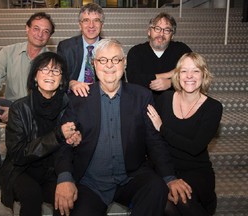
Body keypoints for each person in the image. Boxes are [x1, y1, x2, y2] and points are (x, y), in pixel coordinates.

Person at [54, 39, 192, 216]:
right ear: (95, 64)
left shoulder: (142, 96)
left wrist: (169, 177)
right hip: (91, 182)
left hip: (130, 176)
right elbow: (65, 142)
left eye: (116, 60)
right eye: (103, 60)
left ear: (124, 62)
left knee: (156, 188)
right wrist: (64, 177)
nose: (109, 65)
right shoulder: (78, 99)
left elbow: (154, 141)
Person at [0, 12, 55, 195]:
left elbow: (51, 98)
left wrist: (19, 112)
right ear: (27, 28)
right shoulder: (8, 52)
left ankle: (17, 169)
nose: (40, 34)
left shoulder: (51, 60)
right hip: (9, 104)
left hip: (36, 111)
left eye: (46, 31)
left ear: (50, 36)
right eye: (36, 28)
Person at [0, 52, 82, 216]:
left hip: (53, 171)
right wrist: (57, 135)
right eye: (44, 69)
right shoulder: (19, 108)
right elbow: (17, 153)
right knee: (32, 197)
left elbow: (74, 136)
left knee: (67, 200)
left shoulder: (69, 104)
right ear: (35, 77)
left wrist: (76, 138)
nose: (50, 74)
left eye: (56, 71)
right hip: (22, 170)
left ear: (61, 80)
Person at [147, 52, 223, 216]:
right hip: (166, 168)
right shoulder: (165, 99)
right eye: (184, 71)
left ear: (203, 75)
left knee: (181, 199)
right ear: (177, 75)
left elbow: (195, 147)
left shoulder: (213, 107)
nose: (189, 76)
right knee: (166, 204)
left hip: (195, 170)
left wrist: (162, 128)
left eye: (195, 71)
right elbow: (154, 142)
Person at [126, 12, 192, 101]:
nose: (161, 34)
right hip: (143, 104)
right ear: (149, 32)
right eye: (157, 28)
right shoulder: (136, 52)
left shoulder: (182, 50)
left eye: (167, 30)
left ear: (172, 35)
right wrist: (170, 74)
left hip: (175, 105)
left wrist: (171, 82)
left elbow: (193, 74)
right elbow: (134, 79)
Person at [57, 3, 104, 97]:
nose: (91, 25)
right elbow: (58, 76)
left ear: (102, 25)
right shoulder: (65, 47)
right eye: (86, 20)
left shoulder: (109, 48)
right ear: (80, 25)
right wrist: (71, 83)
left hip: (101, 97)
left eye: (96, 20)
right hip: (73, 97)